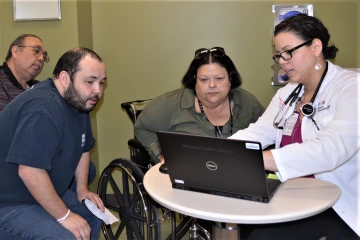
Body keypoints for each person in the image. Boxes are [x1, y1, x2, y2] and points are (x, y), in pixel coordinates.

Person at [229, 14, 360, 239]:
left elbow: (331, 149)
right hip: (294, 195)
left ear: (316, 47)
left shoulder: (350, 88)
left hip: (339, 201)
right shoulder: (288, 92)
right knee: (247, 226)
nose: (282, 60)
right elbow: (258, 133)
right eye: (278, 55)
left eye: (288, 52)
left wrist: (256, 158)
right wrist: (211, 151)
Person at [0, 47, 106, 239]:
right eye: (90, 82)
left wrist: (82, 189)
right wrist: (64, 216)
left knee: (93, 216)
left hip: (37, 192)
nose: (97, 91)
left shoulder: (79, 102)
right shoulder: (43, 109)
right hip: (10, 202)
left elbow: (83, 148)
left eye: (101, 83)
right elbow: (29, 171)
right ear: (65, 78)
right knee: (64, 236)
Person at [134, 46, 265, 164]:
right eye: (204, 80)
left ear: (230, 78)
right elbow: (142, 127)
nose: (212, 85)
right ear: (194, 80)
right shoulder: (170, 103)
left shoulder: (248, 102)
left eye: (219, 78)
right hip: (187, 179)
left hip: (237, 177)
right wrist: (160, 155)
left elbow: (271, 134)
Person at [0, 34, 96, 192]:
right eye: (36, 51)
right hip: (12, 159)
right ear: (15, 51)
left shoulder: (40, 88)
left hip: (44, 150)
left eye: (44, 56)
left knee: (87, 169)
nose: (40, 59)